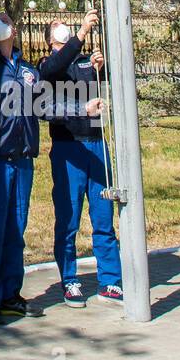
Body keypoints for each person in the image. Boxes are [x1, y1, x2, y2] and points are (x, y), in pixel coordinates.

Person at [0, 9, 96, 324]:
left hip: (22, 161)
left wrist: (80, 108)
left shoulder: (27, 71)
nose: (0, 24)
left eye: (5, 20)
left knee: (16, 231)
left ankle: (10, 295)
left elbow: (44, 106)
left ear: (15, 30)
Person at [40, 18, 123, 307]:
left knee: (104, 217)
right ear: (51, 40)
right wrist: (83, 32)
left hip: (96, 144)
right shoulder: (48, 66)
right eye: (57, 26)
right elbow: (56, 72)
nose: (62, 25)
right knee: (69, 218)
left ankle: (110, 280)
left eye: (66, 24)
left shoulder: (85, 61)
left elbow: (107, 80)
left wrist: (102, 67)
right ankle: (70, 279)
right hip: (68, 149)